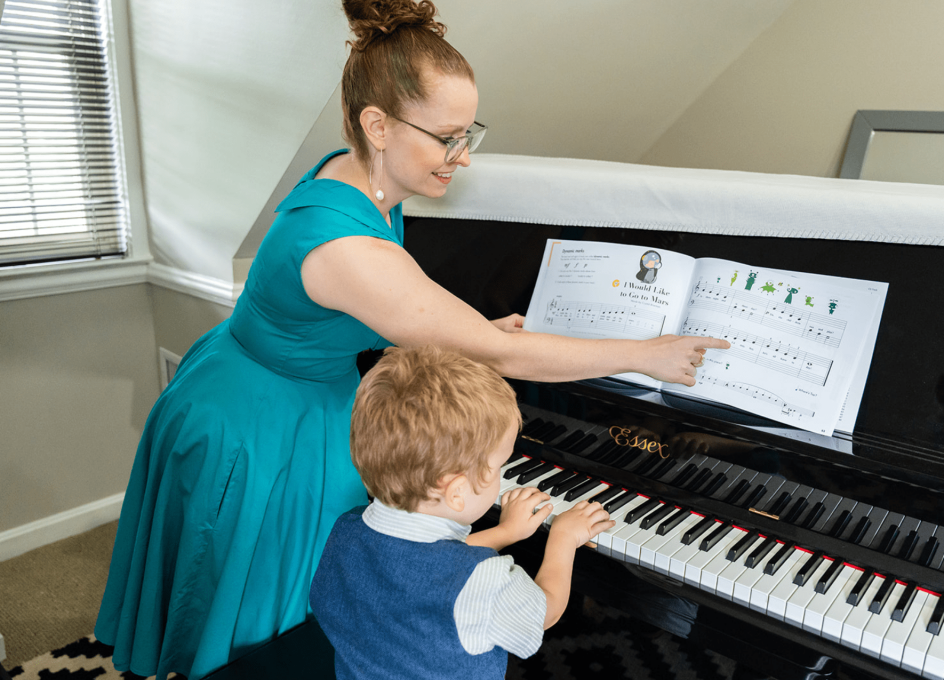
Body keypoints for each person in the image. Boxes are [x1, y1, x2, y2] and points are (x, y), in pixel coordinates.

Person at [94, 1, 729, 678]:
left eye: (469, 133)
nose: (463, 156)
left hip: (270, 375)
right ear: (378, 126)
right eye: (448, 137)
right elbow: (498, 353)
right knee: (258, 594)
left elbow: (377, 310)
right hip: (264, 419)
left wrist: (469, 331)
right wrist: (646, 354)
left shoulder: (359, 173)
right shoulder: (346, 246)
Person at [309, 345, 614, 679]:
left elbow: (420, 563)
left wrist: (505, 533)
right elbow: (546, 611)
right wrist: (563, 538)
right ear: (456, 492)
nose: (501, 474)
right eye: (499, 466)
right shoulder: (484, 581)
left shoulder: (347, 529)